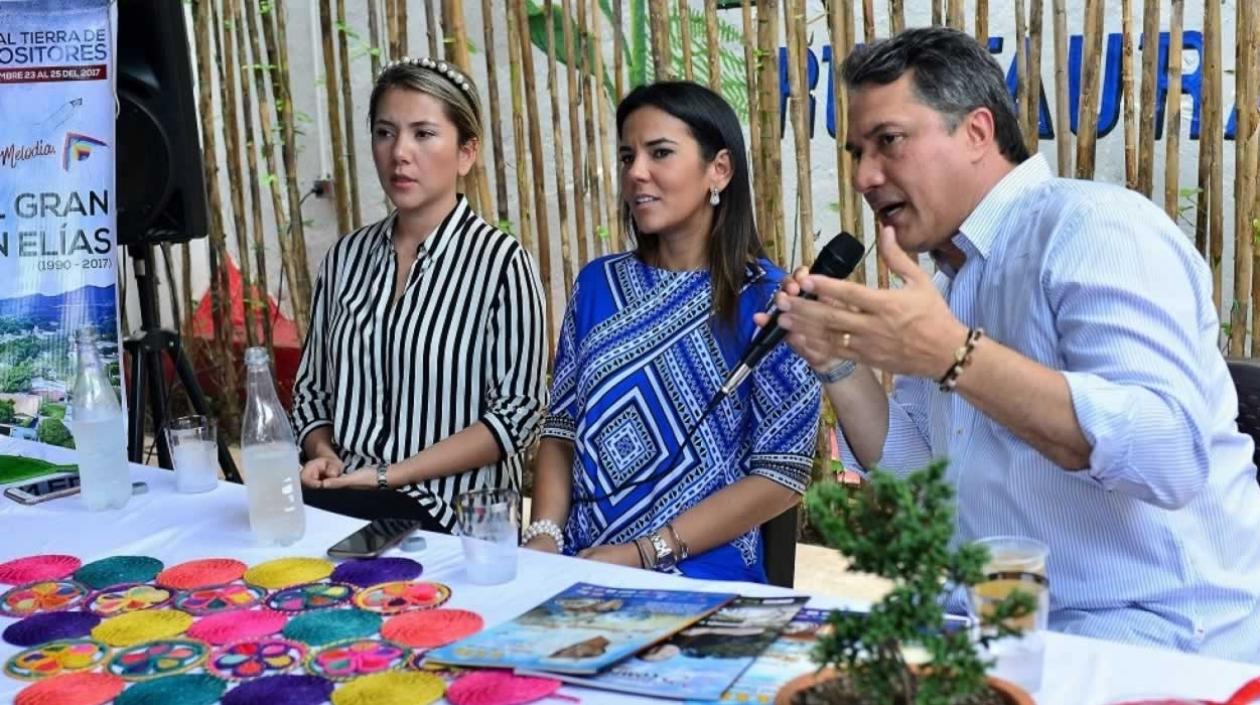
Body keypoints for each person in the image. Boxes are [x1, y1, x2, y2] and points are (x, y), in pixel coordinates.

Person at [768, 27, 1260, 660]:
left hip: (1156, 640)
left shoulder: (1094, 228)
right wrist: (836, 360)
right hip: (1002, 632)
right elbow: (922, 482)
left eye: (889, 141)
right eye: (857, 152)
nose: (864, 176)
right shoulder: (947, 284)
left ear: (977, 132)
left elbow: (1170, 456)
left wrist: (953, 355)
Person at [524, 81, 822, 583]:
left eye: (660, 152)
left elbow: (781, 474)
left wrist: (646, 552)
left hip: (704, 574)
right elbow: (561, 428)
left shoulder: (773, 304)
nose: (636, 172)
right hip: (578, 563)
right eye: (627, 157)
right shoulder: (597, 284)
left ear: (719, 170)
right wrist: (544, 536)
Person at [291, 57, 548, 533]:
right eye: (385, 133)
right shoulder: (345, 258)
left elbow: (518, 414)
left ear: (466, 152)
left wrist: (388, 476)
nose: (399, 153)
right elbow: (311, 391)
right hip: (342, 493)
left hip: (452, 513)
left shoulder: (502, 264)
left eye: (423, 134)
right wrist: (323, 453)